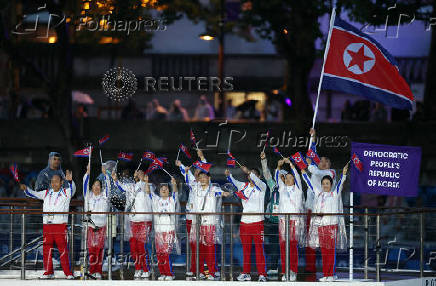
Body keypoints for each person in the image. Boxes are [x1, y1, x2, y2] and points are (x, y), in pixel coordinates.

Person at [20, 171, 75, 279]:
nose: (54, 183)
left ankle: (68, 273)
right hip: (47, 225)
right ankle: (49, 272)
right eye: (52, 181)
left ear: (61, 182)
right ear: (50, 183)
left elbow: (73, 189)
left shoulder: (66, 192)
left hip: (60, 225)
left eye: (56, 181)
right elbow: (33, 194)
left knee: (63, 249)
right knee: (46, 249)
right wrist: (26, 189)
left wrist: (70, 181)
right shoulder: (46, 193)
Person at [301, 163, 348, 282]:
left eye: (327, 184)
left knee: (330, 251)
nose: (325, 185)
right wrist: (304, 174)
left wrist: (343, 174)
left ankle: (331, 274)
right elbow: (310, 185)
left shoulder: (335, 194)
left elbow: (341, 183)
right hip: (321, 226)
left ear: (331, 185)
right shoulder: (319, 194)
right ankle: (326, 274)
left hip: (331, 225)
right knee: (324, 251)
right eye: (323, 184)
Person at [226, 165, 268, 282]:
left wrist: (249, 170)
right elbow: (233, 182)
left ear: (258, 176)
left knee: (259, 249)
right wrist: (229, 175)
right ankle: (246, 273)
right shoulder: (244, 186)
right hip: (244, 222)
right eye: (250, 174)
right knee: (246, 249)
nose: (251, 175)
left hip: (257, 222)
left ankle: (262, 274)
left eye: (254, 174)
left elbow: (255, 179)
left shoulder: (262, 187)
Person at [187, 169, 230, 280]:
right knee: (199, 249)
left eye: (204, 177)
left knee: (210, 249)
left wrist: (224, 193)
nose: (202, 179)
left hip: (209, 222)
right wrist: (185, 170)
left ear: (209, 178)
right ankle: (200, 271)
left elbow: (219, 193)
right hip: (197, 222)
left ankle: (211, 272)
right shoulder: (196, 189)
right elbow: (189, 180)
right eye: (200, 177)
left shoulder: (213, 189)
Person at [305, 128, 337, 274]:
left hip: (325, 213)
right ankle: (310, 268)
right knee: (311, 241)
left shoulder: (331, 173)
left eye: (326, 161)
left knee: (327, 243)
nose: (323, 163)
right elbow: (313, 153)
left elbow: (315, 170)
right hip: (311, 210)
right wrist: (313, 137)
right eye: (321, 161)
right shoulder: (316, 171)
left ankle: (329, 272)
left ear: (330, 164)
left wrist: (309, 164)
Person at [114, 169, 152, 279]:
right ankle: (138, 268)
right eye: (137, 172)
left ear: (145, 175)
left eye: (141, 172)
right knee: (133, 247)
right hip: (133, 220)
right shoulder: (130, 186)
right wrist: (115, 179)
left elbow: (149, 194)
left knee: (141, 246)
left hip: (144, 220)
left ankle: (146, 269)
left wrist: (145, 181)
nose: (138, 174)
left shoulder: (147, 185)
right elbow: (120, 187)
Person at [175, 149, 207, 278]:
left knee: (203, 245)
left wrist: (202, 157)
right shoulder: (193, 183)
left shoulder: (206, 186)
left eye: (200, 172)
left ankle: (204, 270)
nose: (198, 172)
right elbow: (185, 173)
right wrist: (180, 165)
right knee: (194, 246)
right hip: (190, 218)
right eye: (197, 171)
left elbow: (206, 167)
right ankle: (194, 269)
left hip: (201, 219)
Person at [275, 158, 305, 281]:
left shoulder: (298, 190)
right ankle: (285, 271)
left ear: (294, 180)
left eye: (290, 178)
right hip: (283, 221)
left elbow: (298, 176)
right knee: (283, 247)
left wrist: (291, 165)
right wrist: (278, 166)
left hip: (294, 221)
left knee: (292, 247)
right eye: (286, 178)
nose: (287, 180)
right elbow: (277, 177)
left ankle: (293, 271)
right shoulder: (281, 189)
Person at [144, 174, 179, 281]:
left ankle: (170, 273)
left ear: (169, 191)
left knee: (166, 253)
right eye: (162, 188)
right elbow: (148, 192)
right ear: (159, 191)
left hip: (169, 230)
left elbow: (176, 192)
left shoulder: (172, 199)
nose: (164, 190)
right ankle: (163, 273)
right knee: (159, 253)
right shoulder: (156, 200)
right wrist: (146, 182)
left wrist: (174, 184)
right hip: (159, 231)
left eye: (166, 188)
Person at [83, 163, 110, 279]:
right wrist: (87, 173)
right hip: (91, 226)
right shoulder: (88, 196)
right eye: (94, 185)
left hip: (101, 226)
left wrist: (106, 175)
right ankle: (91, 269)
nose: (96, 187)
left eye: (98, 185)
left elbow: (109, 187)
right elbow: (85, 185)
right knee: (92, 250)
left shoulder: (105, 196)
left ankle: (98, 271)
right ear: (92, 187)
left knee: (99, 250)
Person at [260, 151, 280, 276]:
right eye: (279, 177)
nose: (281, 179)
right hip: (273, 222)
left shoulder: (290, 188)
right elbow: (267, 175)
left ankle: (288, 269)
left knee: (284, 246)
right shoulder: (274, 187)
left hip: (285, 221)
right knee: (273, 245)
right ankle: (273, 267)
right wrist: (263, 160)